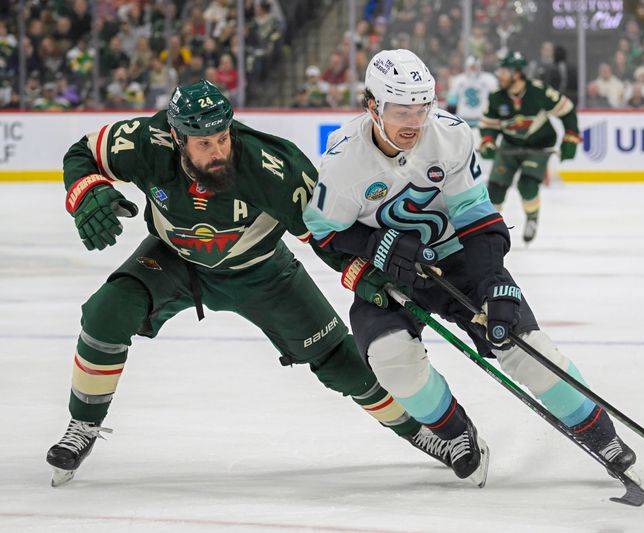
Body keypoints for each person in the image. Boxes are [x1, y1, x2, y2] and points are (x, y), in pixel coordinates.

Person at [46, 80, 455, 487]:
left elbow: (325, 232)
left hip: (262, 271)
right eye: (203, 143)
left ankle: (420, 430)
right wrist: (87, 191)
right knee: (106, 312)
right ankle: (83, 425)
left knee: (338, 361)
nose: (218, 151)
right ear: (176, 136)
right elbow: (83, 152)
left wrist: (361, 271)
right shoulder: (145, 141)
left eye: (222, 137)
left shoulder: (272, 166)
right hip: (173, 259)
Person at [303, 49, 637, 489]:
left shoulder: (451, 135)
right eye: (401, 111)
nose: (414, 122)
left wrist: (494, 281)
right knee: (389, 357)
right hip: (391, 273)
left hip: (458, 258)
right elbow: (323, 233)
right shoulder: (343, 160)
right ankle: (456, 431)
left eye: (422, 108)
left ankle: (599, 433)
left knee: (523, 344)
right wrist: (374, 245)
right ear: (372, 107)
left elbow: (476, 217)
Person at [478, 51, 581, 244]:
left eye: (504, 71)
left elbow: (567, 111)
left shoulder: (538, 91)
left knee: (527, 184)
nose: (500, 75)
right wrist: (488, 141)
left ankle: (532, 219)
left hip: (540, 145)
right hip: (510, 145)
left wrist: (571, 137)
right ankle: (489, 229)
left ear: (517, 73)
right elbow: (489, 125)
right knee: (495, 189)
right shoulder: (497, 97)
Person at [446, 56, 498, 128]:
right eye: (471, 67)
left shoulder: (489, 79)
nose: (473, 69)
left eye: (475, 67)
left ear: (480, 67)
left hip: (482, 121)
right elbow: (452, 103)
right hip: (462, 120)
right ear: (466, 67)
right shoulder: (458, 80)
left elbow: (495, 99)